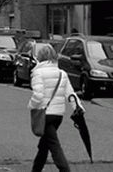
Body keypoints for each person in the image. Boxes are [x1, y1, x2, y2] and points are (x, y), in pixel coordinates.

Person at [28, 43, 83, 172]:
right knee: (44, 146)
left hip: (44, 115)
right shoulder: (62, 73)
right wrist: (78, 108)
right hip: (58, 115)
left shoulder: (38, 73)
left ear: (40, 57)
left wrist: (31, 106)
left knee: (54, 146)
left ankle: (65, 170)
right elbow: (70, 94)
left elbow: (37, 96)